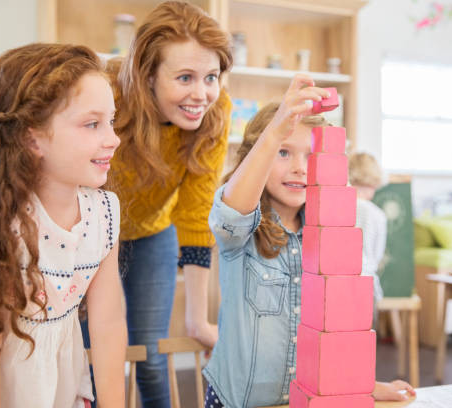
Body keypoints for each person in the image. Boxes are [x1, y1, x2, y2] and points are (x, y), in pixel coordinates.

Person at [203, 75, 415, 407]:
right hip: (239, 401)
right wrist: (276, 131)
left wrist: (363, 386)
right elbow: (231, 215)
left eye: (311, 156)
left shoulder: (332, 238)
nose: (300, 168)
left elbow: (334, 336)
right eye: (284, 153)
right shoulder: (242, 232)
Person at [0, 43, 127, 408]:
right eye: (92, 124)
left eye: (111, 121)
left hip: (67, 391)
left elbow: (108, 323)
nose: (113, 139)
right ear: (32, 138)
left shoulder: (104, 213)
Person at [93, 1, 232, 406]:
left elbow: (194, 212)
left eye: (211, 76)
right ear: (147, 73)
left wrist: (197, 319)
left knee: (151, 359)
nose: (201, 94)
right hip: (93, 236)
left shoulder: (215, 111)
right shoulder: (106, 94)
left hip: (154, 233)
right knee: (92, 361)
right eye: (185, 77)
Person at [349, 152, 387, 310]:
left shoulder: (340, 206)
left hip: (337, 280)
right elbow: (376, 256)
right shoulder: (377, 214)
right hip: (365, 281)